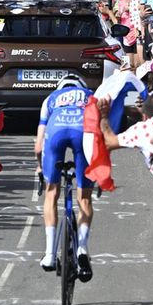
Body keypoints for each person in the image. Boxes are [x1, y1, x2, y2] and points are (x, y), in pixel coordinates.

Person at [36, 75, 95, 281]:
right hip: (83, 134)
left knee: (51, 193)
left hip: (56, 133)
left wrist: (39, 167)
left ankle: (50, 254)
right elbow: (100, 132)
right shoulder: (91, 96)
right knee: (84, 198)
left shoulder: (51, 98)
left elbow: (38, 144)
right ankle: (82, 250)